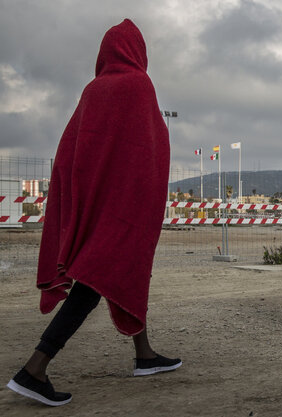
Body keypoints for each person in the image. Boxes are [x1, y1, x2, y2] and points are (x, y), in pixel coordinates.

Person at [6, 20, 181, 407]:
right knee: (95, 282)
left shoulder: (92, 90)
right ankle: (34, 368)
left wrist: (76, 207)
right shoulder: (139, 85)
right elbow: (149, 151)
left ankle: (145, 355)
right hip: (124, 211)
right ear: (137, 51)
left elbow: (71, 155)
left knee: (125, 276)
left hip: (93, 207)